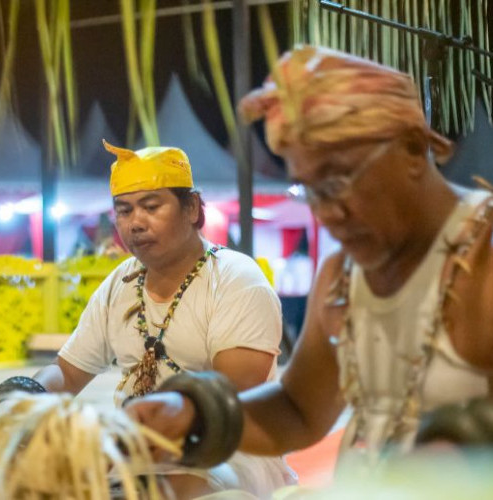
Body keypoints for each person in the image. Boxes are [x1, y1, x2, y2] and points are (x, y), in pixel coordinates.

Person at [127, 45, 493, 472]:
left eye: (338, 181)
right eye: (310, 190)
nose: (327, 212)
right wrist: (195, 412)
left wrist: (466, 445)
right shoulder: (343, 276)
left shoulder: (481, 253)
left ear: (412, 148)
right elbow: (299, 410)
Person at [0, 141, 295, 498]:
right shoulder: (120, 282)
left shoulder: (236, 278)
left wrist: (135, 440)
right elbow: (69, 371)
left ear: (192, 208)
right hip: (135, 452)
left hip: (225, 454)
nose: (135, 223)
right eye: (124, 210)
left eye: (151, 207)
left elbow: (233, 391)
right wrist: (28, 397)